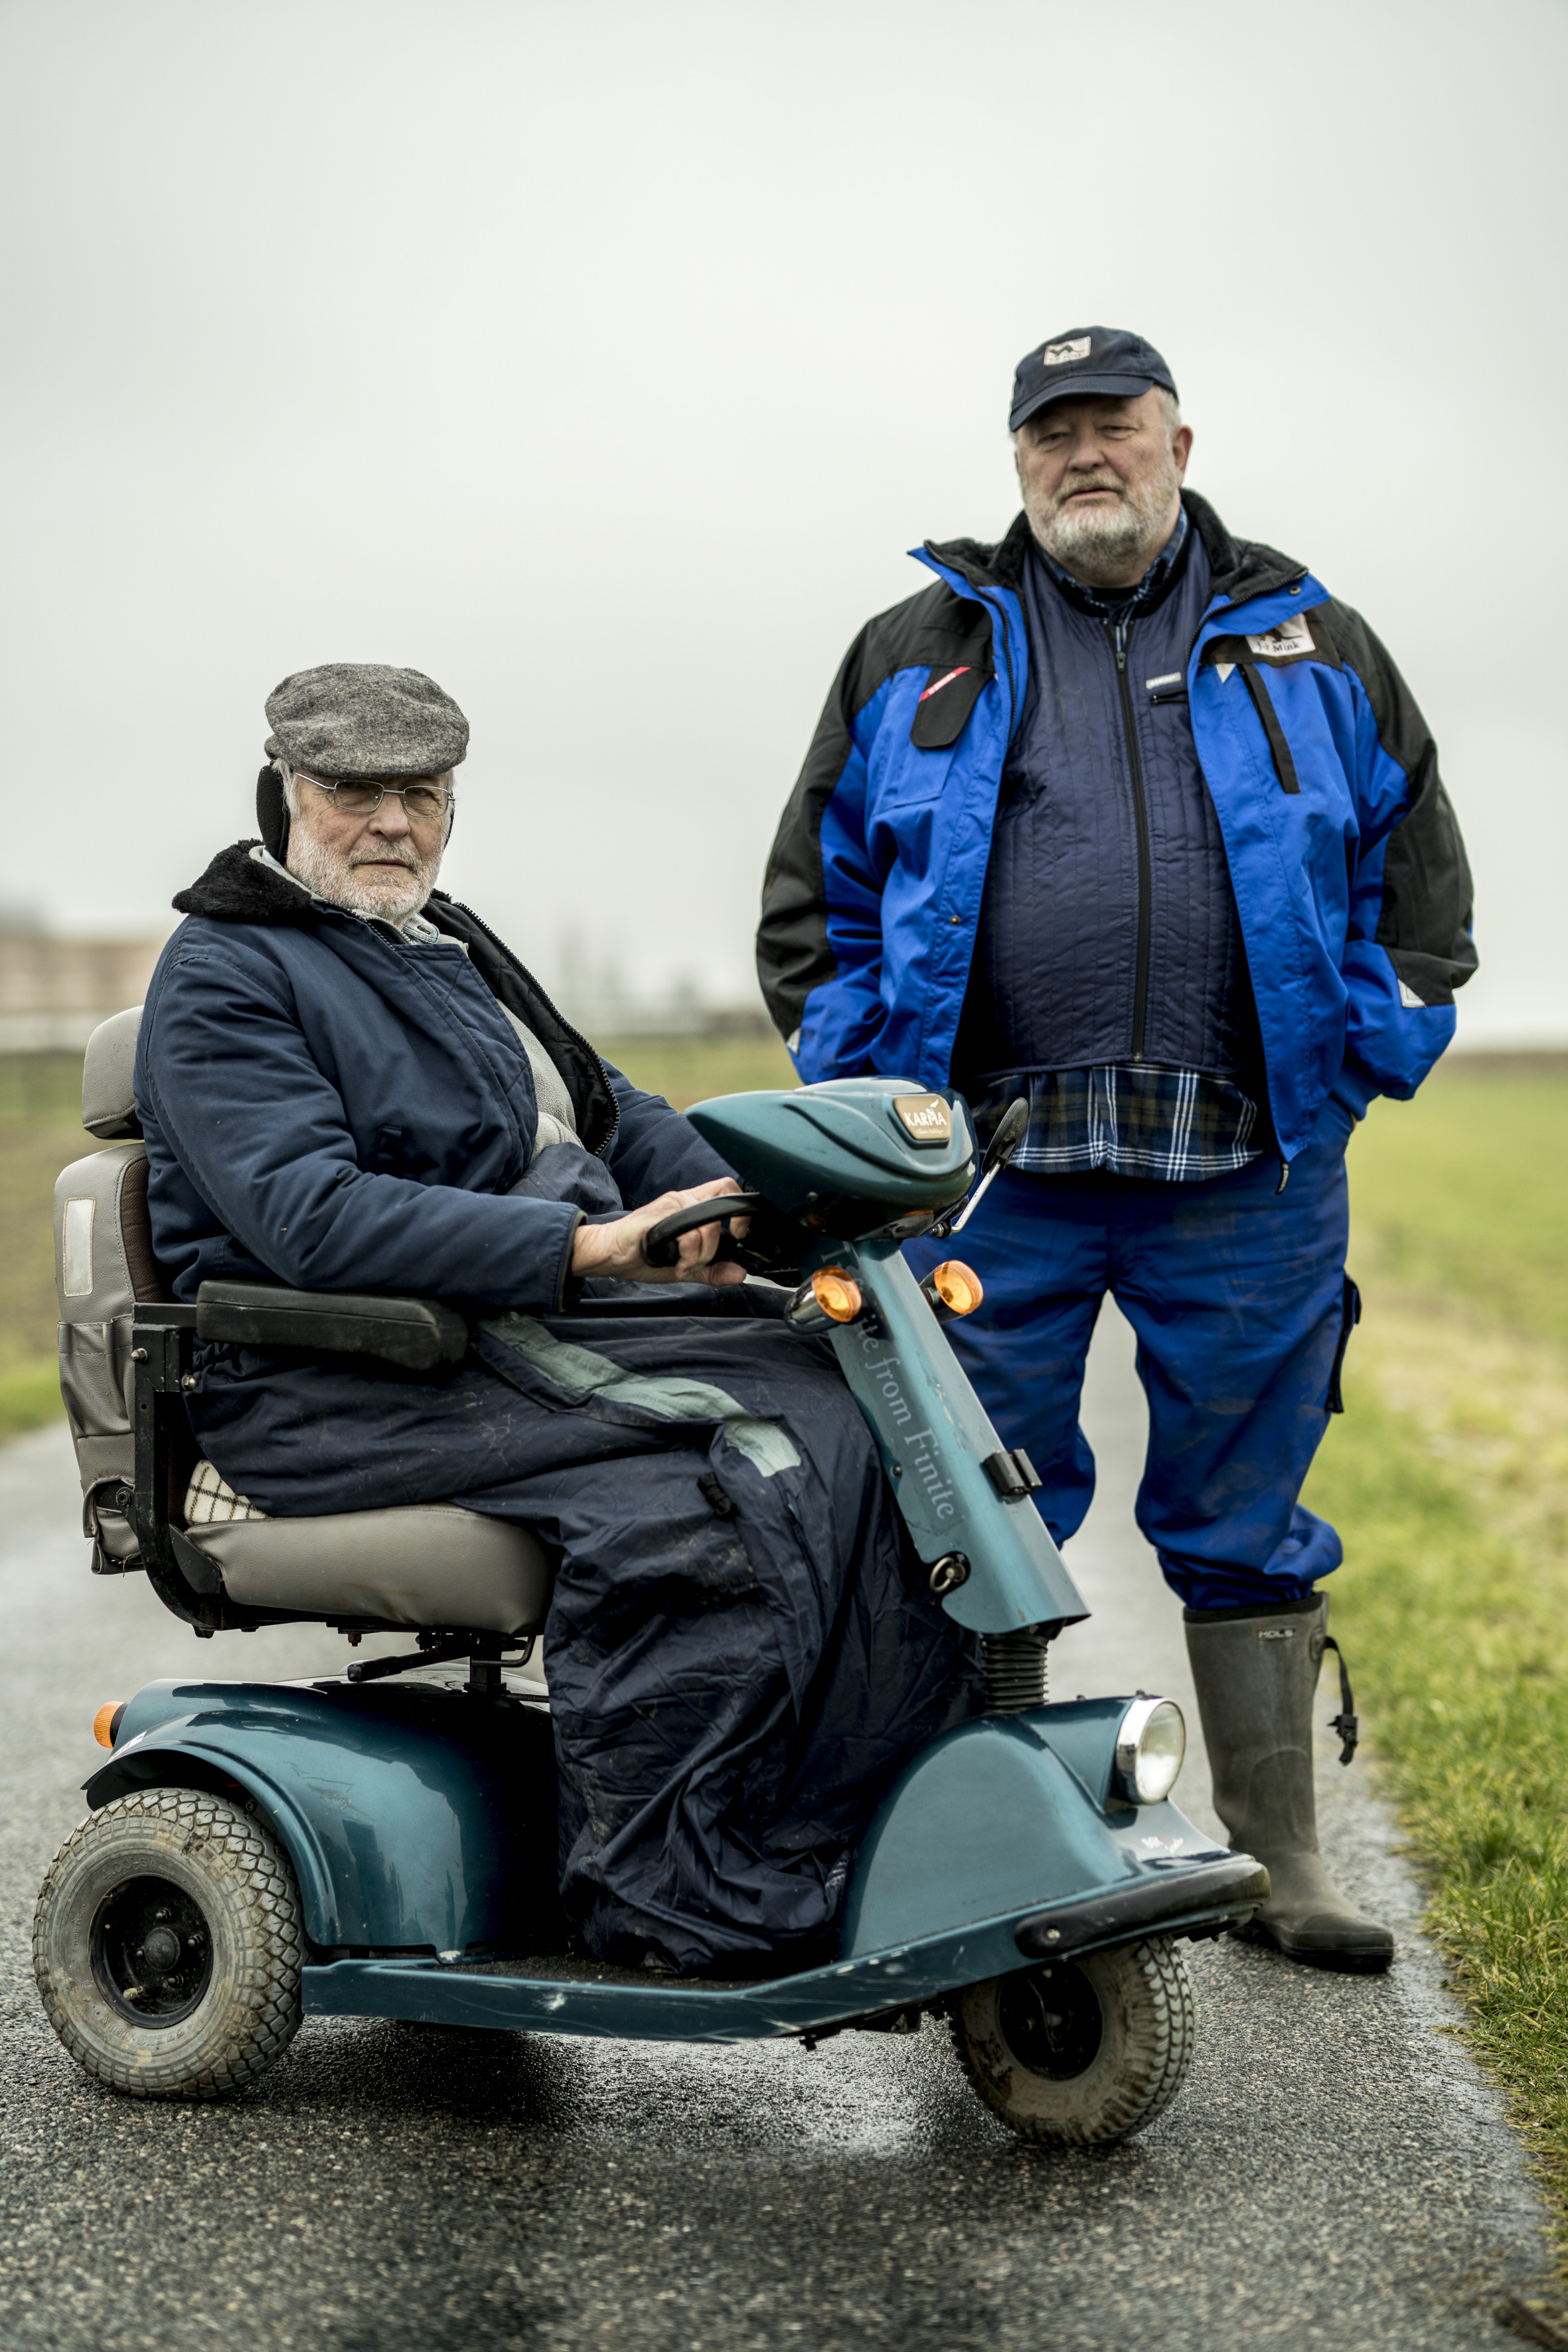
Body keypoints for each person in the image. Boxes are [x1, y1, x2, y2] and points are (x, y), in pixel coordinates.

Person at [756, 327, 1477, 1972]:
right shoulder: (913, 649)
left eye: (1115, 426)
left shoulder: (1313, 639)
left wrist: (1350, 1066)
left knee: (1246, 1508)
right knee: (969, 1499)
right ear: (1017, 459)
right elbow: (815, 907)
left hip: (1248, 1169)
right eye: (1051, 432)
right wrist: (881, 1116)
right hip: (987, 1177)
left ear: (1177, 442)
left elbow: (1419, 892)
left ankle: (1278, 1856)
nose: (1085, 455)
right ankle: (971, 1852)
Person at [137, 663, 974, 1974]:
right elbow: (310, 1217)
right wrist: (582, 1246)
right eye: (354, 791)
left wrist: (771, 1208)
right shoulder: (227, 969)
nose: (392, 822)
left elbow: (608, 1109)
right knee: (747, 1469)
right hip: (343, 1369)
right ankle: (672, 1888)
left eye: (421, 793)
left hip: (501, 1332)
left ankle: (836, 1830)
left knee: (866, 1391)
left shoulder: (442, 942)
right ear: (284, 792)